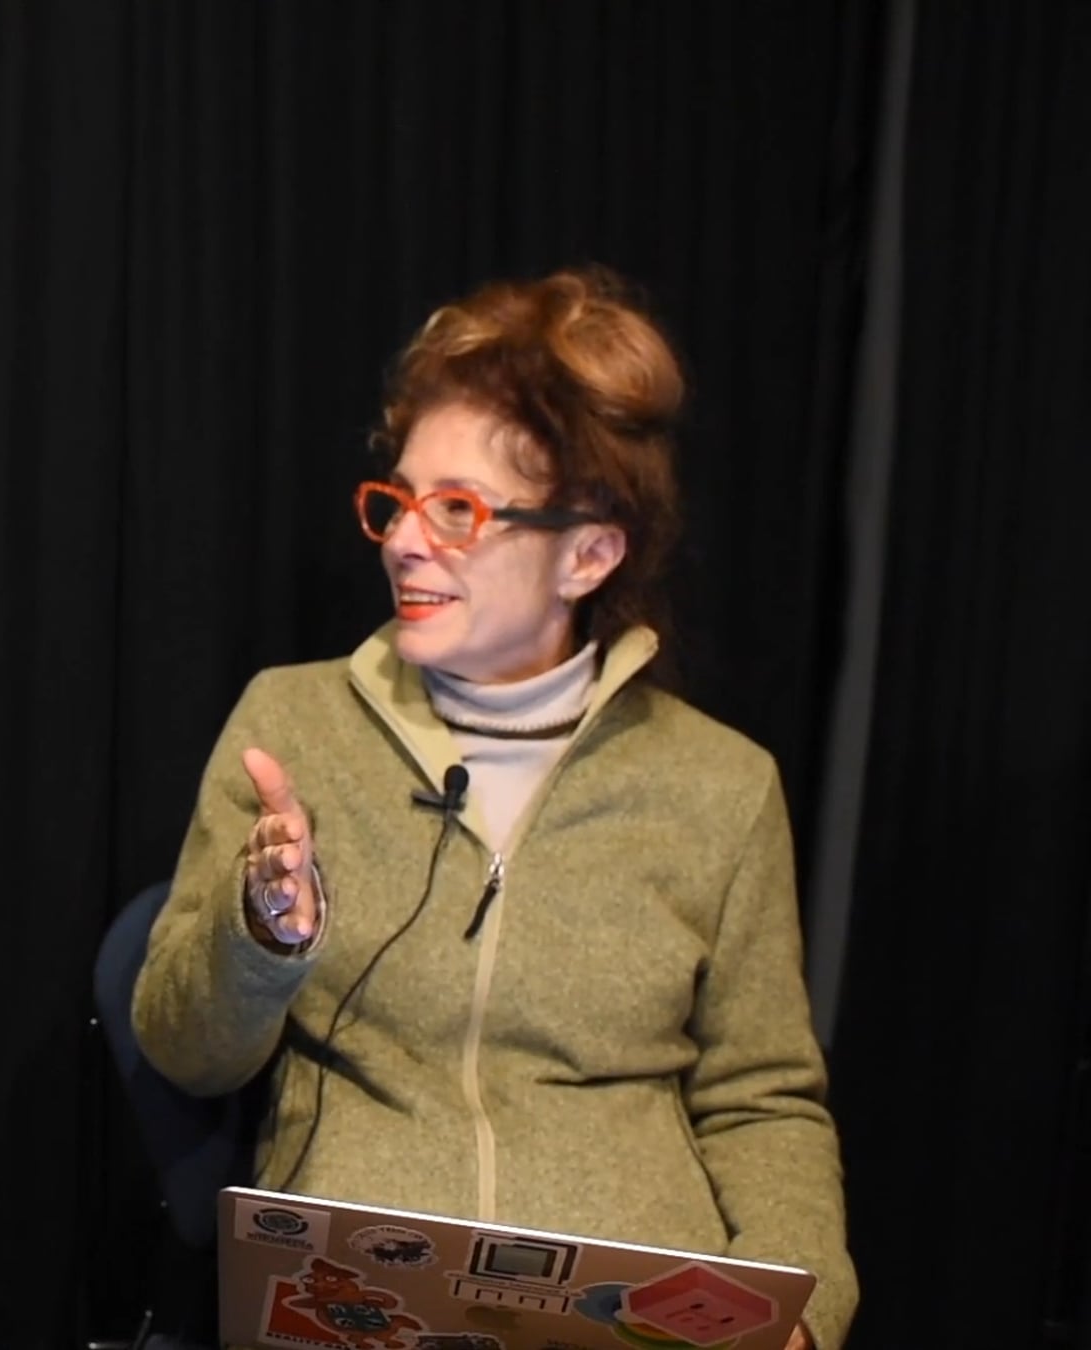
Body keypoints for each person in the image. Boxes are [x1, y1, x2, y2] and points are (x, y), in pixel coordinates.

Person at [131, 267, 856, 1349]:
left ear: (588, 554)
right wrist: (262, 937)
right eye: (400, 501)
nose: (403, 541)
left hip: (627, 1316)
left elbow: (763, 1101)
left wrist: (800, 1310)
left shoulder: (721, 785)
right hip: (364, 1302)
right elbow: (184, 1049)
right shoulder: (292, 723)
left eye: (458, 511)